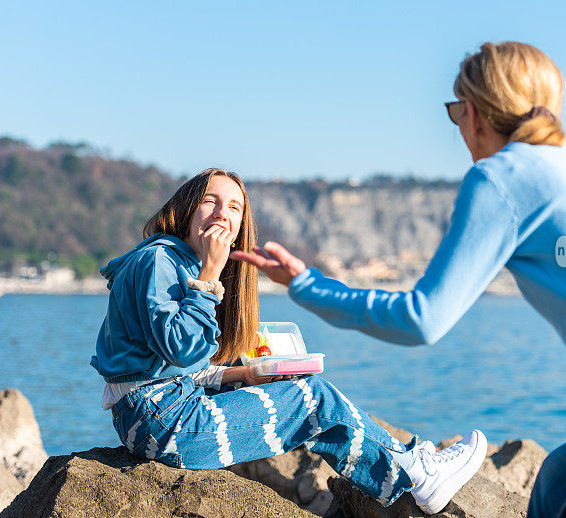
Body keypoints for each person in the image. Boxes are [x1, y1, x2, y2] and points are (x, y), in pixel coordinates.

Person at [234, 42, 566, 517]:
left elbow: (422, 319)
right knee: (561, 489)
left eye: (455, 112)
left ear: (474, 112)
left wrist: (308, 285)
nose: (458, 128)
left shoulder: (501, 177)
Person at [90, 168, 488, 515]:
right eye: (209, 202)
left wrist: (246, 373)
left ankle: (405, 469)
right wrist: (210, 276)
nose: (221, 214)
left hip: (158, 413)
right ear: (185, 209)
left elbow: (176, 365)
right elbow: (181, 348)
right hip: (163, 422)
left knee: (297, 386)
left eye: (233, 207)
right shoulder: (160, 261)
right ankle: (416, 475)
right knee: (312, 399)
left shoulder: (174, 261)